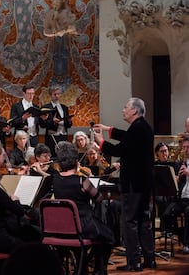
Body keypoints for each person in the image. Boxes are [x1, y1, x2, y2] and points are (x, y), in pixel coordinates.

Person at [94, 97, 155, 270]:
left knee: (129, 222)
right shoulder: (142, 127)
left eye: (125, 107)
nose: (123, 110)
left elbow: (118, 149)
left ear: (134, 111)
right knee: (143, 221)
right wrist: (108, 129)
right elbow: (127, 136)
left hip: (133, 184)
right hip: (143, 184)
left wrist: (101, 142)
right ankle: (149, 259)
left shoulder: (137, 130)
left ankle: (133, 262)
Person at [53, 141, 114, 275]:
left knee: (98, 235)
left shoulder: (55, 180)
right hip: (83, 226)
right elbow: (98, 198)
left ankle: (83, 266)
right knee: (109, 237)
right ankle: (98, 269)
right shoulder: (82, 181)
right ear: (75, 161)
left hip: (63, 226)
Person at [162, 136, 189, 254]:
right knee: (167, 214)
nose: (186, 150)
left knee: (188, 212)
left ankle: (187, 243)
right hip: (181, 198)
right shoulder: (182, 162)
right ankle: (182, 238)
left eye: (188, 147)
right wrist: (176, 180)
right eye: (184, 147)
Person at [41, 86, 73, 157]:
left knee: (64, 156)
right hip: (52, 137)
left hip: (63, 136)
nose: (57, 96)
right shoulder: (46, 107)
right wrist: (53, 121)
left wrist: (69, 121)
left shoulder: (64, 107)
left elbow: (68, 125)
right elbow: (42, 124)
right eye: (55, 94)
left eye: (58, 94)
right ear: (50, 95)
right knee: (52, 156)